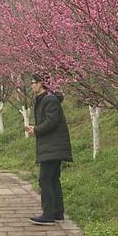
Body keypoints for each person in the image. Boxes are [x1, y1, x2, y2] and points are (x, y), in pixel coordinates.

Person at [25, 74, 73, 225]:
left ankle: (48, 215)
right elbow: (49, 121)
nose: (31, 86)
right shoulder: (44, 100)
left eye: (33, 83)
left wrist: (36, 130)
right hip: (51, 146)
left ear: (40, 84)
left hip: (53, 146)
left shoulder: (49, 100)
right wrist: (35, 128)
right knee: (53, 180)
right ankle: (57, 213)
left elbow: (52, 121)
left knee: (45, 179)